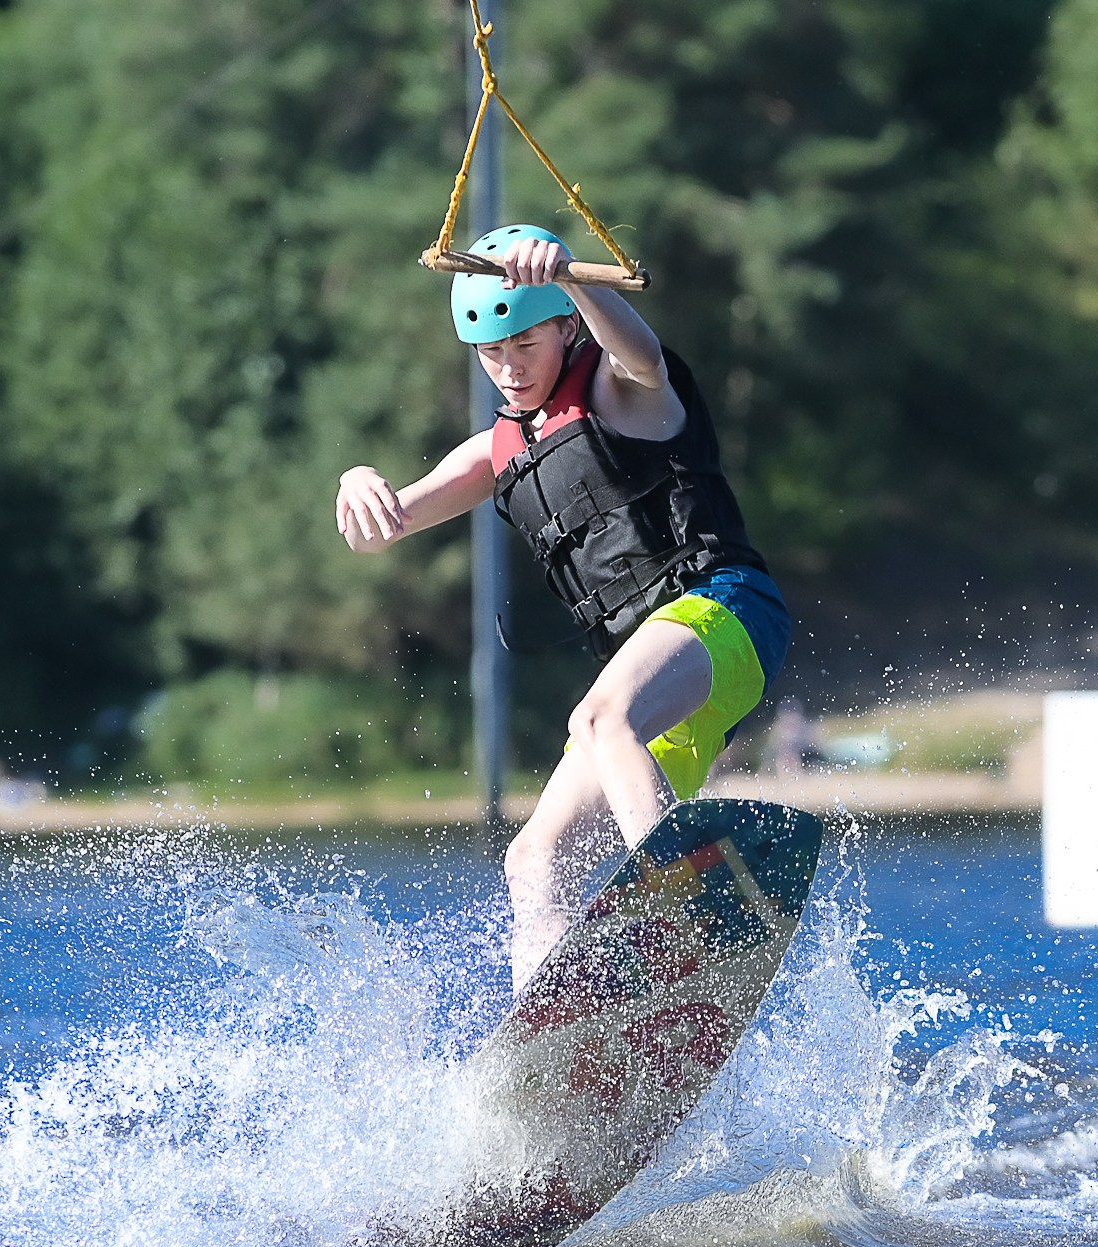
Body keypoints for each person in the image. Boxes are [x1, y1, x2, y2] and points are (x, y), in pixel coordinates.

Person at [335, 226, 791, 989]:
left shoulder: (622, 393)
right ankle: (547, 1050)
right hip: (662, 689)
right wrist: (356, 479)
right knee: (533, 857)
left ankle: (682, 907)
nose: (508, 369)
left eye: (526, 344)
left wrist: (581, 281)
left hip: (727, 613)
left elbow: (640, 354)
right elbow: (382, 531)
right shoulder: (498, 449)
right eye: (491, 353)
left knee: (598, 718)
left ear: (565, 328)